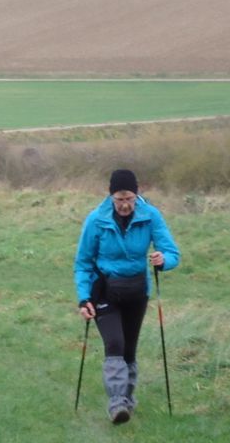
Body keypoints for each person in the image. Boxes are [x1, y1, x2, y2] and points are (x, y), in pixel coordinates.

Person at [74, 168, 180, 425]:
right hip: (105, 290)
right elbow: (83, 263)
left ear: (137, 194)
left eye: (129, 198)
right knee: (115, 344)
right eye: (119, 199)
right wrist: (84, 298)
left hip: (136, 292)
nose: (125, 205)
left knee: (130, 350)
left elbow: (171, 252)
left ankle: (127, 401)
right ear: (111, 196)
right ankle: (117, 402)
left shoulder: (150, 216)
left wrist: (163, 259)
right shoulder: (96, 220)